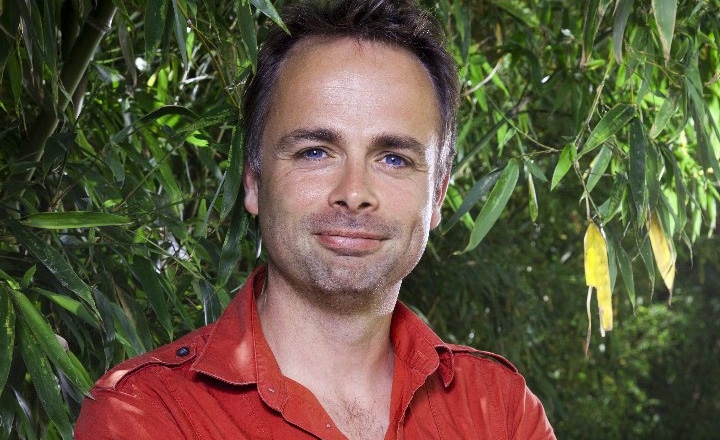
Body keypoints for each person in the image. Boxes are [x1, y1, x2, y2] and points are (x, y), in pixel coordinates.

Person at [75, 0, 556, 438]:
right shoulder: (148, 413)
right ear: (253, 182)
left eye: (393, 159)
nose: (354, 193)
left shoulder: (500, 410)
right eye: (315, 152)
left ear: (438, 196)